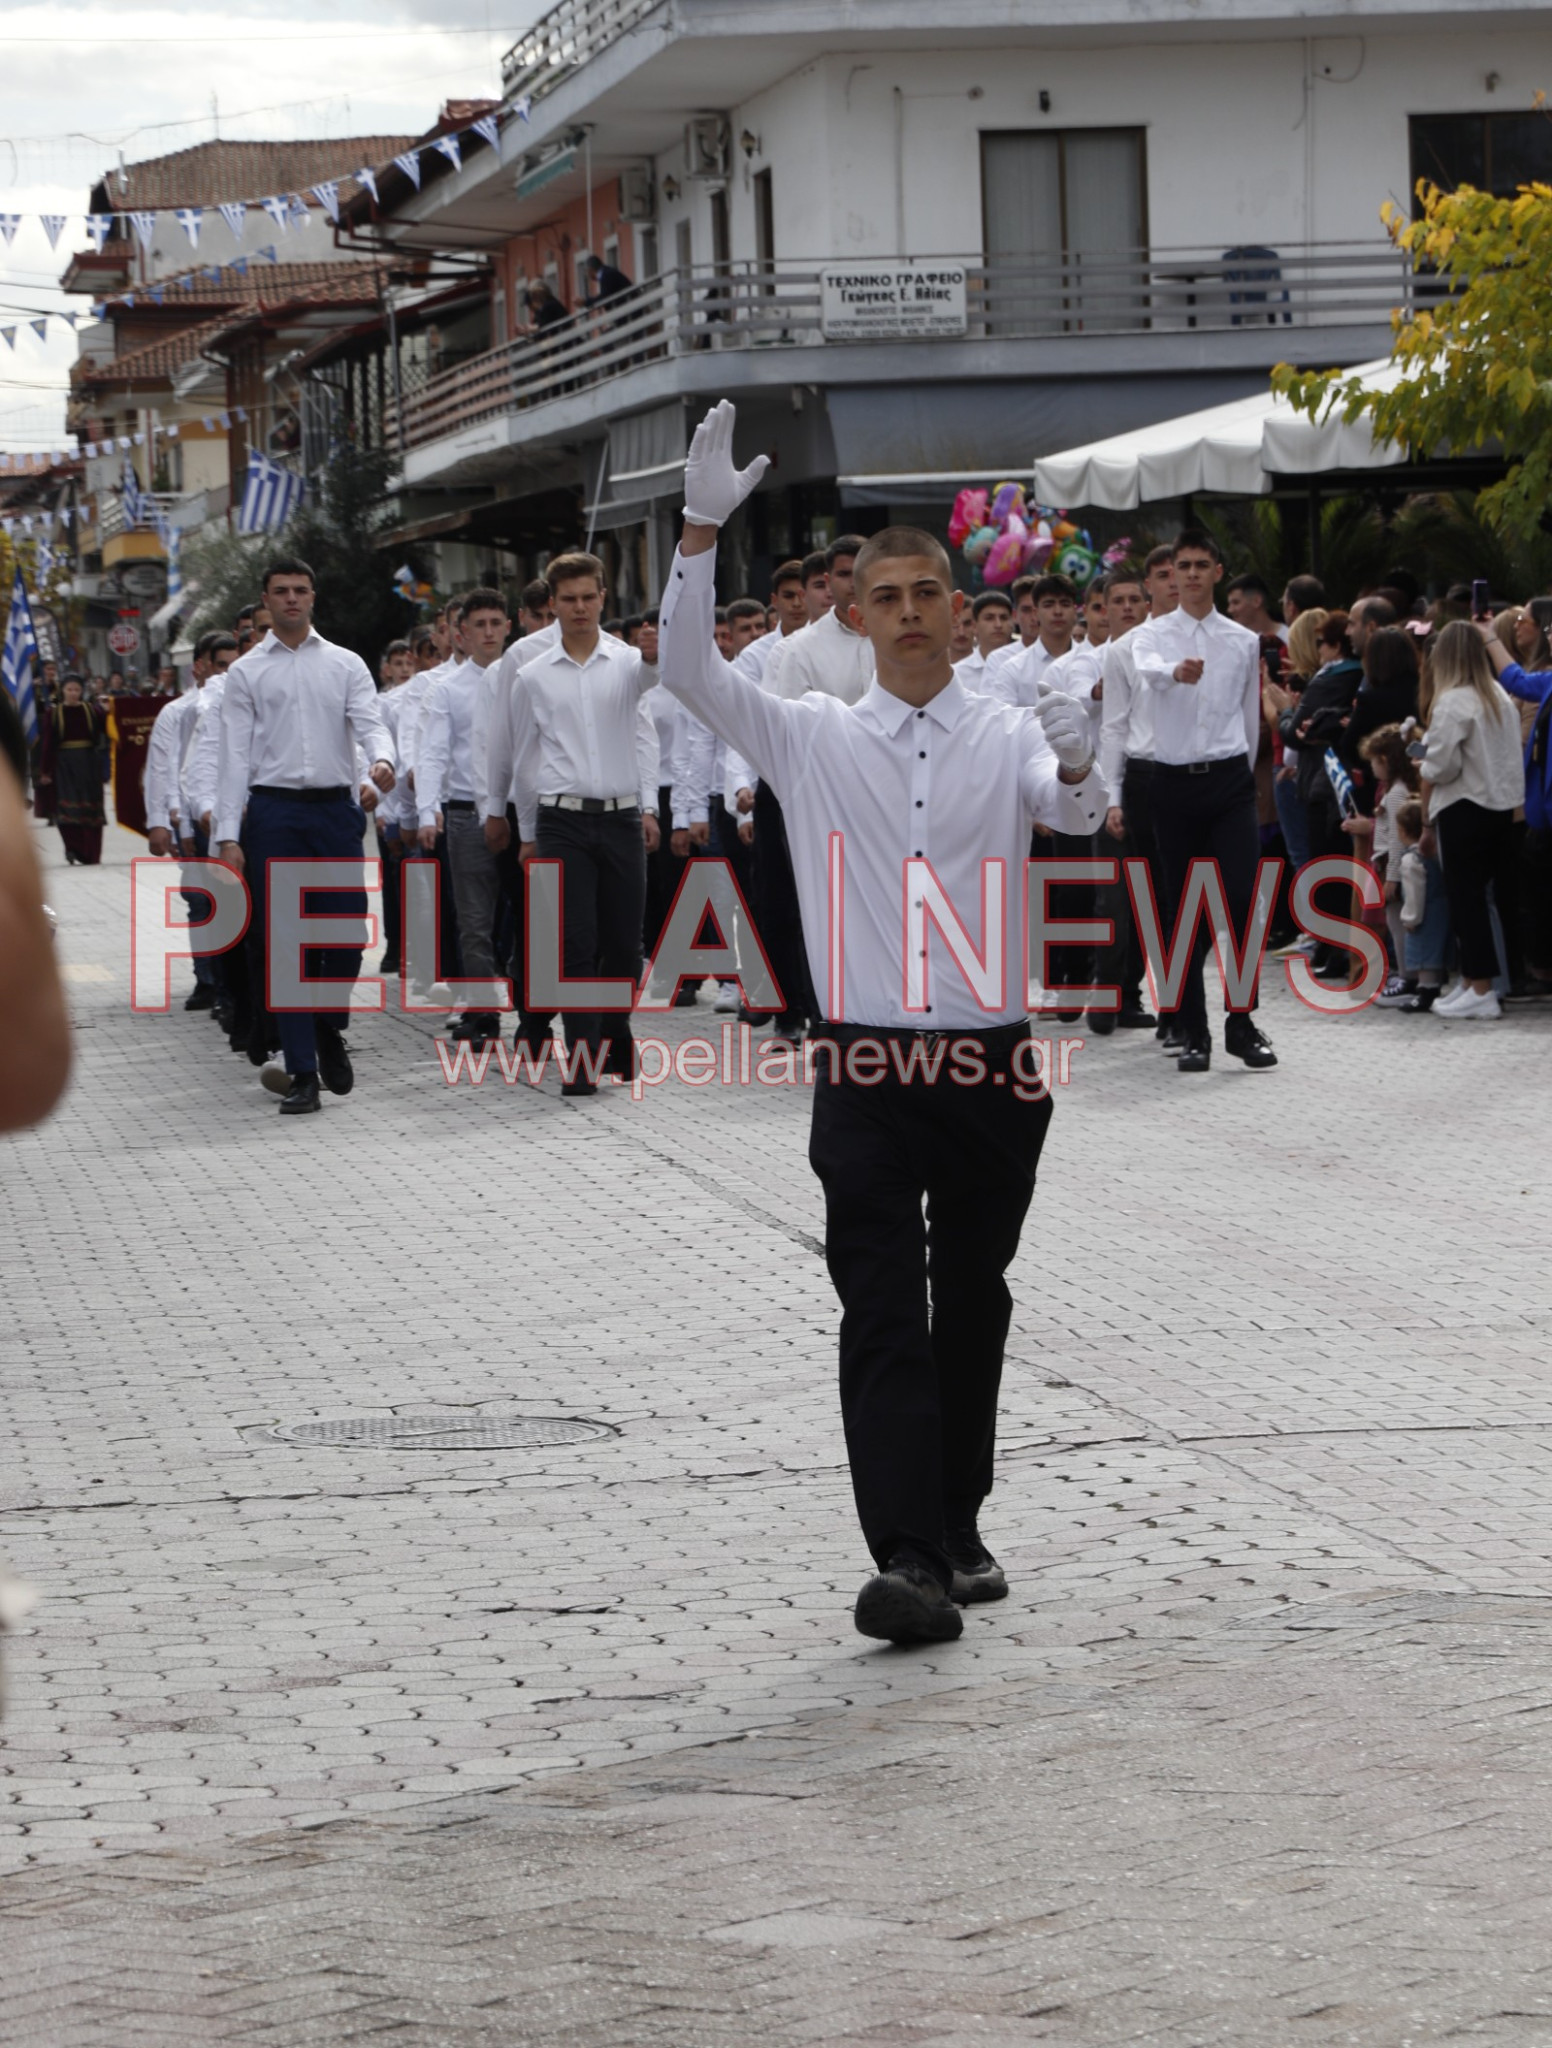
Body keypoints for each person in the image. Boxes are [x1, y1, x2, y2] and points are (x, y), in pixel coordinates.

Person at [660, 400, 1106, 1646]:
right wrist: (699, 532)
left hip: (988, 1060)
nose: (908, 611)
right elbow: (688, 672)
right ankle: (906, 1554)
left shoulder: (1013, 728)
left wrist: (1079, 762)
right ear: (852, 615)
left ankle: (957, 1519)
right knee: (879, 1299)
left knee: (973, 1293)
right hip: (861, 1059)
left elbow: (1069, 815)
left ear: (959, 609)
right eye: (886, 594)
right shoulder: (808, 738)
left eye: (928, 591)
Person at [214, 557, 396, 1114]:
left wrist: (382, 764)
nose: (291, 599)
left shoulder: (345, 664)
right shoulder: (246, 673)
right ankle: (301, 1073)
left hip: (336, 813)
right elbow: (233, 757)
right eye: (280, 591)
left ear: (313, 596)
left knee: (346, 940)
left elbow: (370, 725)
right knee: (287, 946)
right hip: (274, 816)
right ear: (265, 600)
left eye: (300, 590)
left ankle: (325, 1022)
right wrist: (228, 836)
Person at [497, 551, 659, 1094]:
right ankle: (583, 1061)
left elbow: (648, 721)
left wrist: (650, 808)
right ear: (552, 604)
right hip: (560, 821)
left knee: (623, 946)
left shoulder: (630, 664)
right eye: (568, 599)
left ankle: (615, 1032)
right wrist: (524, 834)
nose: (580, 607)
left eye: (589, 597)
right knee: (573, 943)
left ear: (604, 598)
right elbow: (523, 759)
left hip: (621, 820)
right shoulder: (532, 675)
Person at [1128, 529, 1277, 1072]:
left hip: (1229, 781)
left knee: (1240, 901)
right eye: (1181, 566)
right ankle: (1194, 1029)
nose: (1189, 574)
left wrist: (1248, 778)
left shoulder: (1241, 639)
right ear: (1170, 576)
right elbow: (1145, 673)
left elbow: (1247, 717)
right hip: (1171, 782)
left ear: (1217, 571)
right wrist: (1174, 672)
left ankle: (1242, 1021)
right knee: (1183, 910)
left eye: (1199, 565)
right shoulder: (1152, 636)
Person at [416, 589, 511, 1050]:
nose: (489, 632)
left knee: (533, 912)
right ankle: (484, 1010)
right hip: (464, 815)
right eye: (480, 625)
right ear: (462, 633)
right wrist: (426, 809)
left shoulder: (525, 679)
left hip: (519, 812)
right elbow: (432, 754)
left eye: (496, 622)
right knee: (474, 918)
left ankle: (533, 1007)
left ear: (508, 627)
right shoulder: (447, 689)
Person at [1420, 621, 1526, 1019]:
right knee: (1483, 898)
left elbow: (1442, 767)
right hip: (1501, 807)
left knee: (1466, 899)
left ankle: (1480, 987)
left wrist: (1424, 763)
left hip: (1464, 806)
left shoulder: (1452, 701)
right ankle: (1471, 982)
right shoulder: (1498, 694)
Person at [35, 676, 107, 865]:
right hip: (65, 765)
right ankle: (72, 848)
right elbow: (48, 744)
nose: (74, 693)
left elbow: (109, 728)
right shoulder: (55, 713)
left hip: (89, 764)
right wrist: (45, 771)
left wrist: (111, 711)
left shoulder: (92, 711)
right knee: (66, 809)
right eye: (70, 690)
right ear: (63, 691)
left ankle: (90, 853)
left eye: (77, 690)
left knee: (91, 809)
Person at [983, 574, 1078, 705]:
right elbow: (1002, 720)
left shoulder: (1093, 660)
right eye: (1048, 605)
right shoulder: (1013, 668)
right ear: (1036, 612)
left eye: (1065, 604)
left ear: (1075, 610)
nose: (1057, 611)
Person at [1394, 795, 1448, 1009]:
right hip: (1441, 909)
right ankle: (1434, 986)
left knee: (1423, 952)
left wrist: (1410, 917)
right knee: (1437, 950)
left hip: (1424, 914)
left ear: (1403, 831)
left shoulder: (1410, 859)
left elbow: (1414, 892)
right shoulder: (1433, 854)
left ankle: (1426, 992)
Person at [953, 590, 1013, 691]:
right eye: (989, 618)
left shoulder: (1024, 666)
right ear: (974, 626)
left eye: (1003, 618)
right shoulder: (958, 674)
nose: (998, 625)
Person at [1225, 573, 1287, 643]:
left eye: (1236, 603)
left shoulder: (1290, 639)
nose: (1230, 610)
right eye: (1229, 604)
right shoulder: (1236, 643)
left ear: (1256, 601)